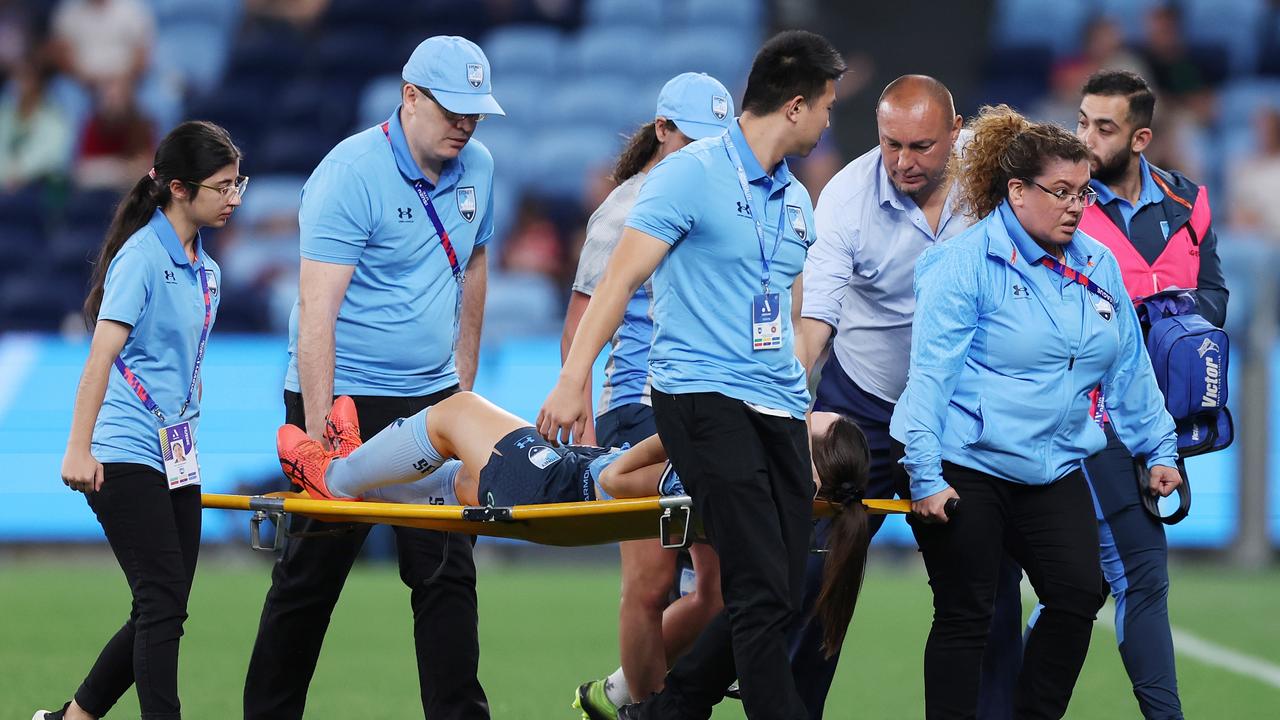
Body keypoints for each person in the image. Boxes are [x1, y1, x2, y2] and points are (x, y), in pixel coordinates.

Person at [540, 30, 846, 720]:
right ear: (795, 106)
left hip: (774, 408)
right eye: (827, 107)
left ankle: (662, 713)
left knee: (782, 588)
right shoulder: (690, 173)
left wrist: (799, 413)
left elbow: (791, 324)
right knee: (754, 586)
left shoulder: (796, 202)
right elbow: (619, 280)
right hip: (700, 398)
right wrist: (573, 377)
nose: (830, 123)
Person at [890, 104, 1184, 720]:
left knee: (1077, 595)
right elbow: (929, 378)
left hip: (1052, 467)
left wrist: (1159, 449)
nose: (1076, 207)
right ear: (1017, 192)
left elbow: (1128, 370)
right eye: (1061, 192)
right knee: (968, 612)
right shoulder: (963, 264)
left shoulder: (1098, 266)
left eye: (1083, 193)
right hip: (965, 463)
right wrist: (924, 473)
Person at [242, 35, 502, 720]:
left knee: (446, 572)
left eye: (476, 111)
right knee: (312, 576)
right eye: (452, 108)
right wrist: (322, 441)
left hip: (430, 396)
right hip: (343, 396)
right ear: (409, 96)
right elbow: (316, 317)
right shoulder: (348, 174)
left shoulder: (481, 167)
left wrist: (462, 392)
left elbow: (473, 271)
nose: (465, 123)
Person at [276, 394, 876, 676]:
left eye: (801, 427)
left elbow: (617, 479)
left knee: (455, 413)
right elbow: (709, 587)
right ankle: (354, 476)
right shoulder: (762, 508)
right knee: (462, 482)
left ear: (808, 466)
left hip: (561, 489)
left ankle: (333, 475)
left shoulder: (713, 474)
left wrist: (682, 430)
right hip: (564, 489)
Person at [790, 74, 1023, 719]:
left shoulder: (1000, 173)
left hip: (962, 412)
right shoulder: (843, 198)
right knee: (814, 581)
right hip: (860, 406)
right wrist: (791, 406)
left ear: (957, 134)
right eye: (891, 144)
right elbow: (816, 318)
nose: (902, 162)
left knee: (987, 588)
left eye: (921, 146)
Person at [34, 120, 243, 720]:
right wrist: (79, 448)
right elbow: (99, 358)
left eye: (238, 184)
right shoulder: (141, 258)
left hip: (175, 451)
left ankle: (72, 718)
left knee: (165, 604)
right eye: (222, 186)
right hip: (124, 447)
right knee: (160, 602)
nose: (234, 198)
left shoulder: (209, 271)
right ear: (180, 188)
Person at [561, 71, 734, 718]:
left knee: (717, 590)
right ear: (663, 131)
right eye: (692, 139)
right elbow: (582, 321)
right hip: (636, 407)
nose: (705, 153)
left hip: (701, 407)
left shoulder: (717, 197)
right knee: (653, 581)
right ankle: (646, 706)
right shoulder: (626, 208)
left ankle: (621, 695)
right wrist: (577, 406)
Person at [1070, 69, 1228, 720]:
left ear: (1139, 138)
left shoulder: (1191, 204)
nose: (1085, 138)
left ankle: (1013, 701)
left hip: (1160, 419)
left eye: (1102, 128)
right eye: (1081, 121)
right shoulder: (1066, 204)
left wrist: (1168, 314)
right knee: (1142, 576)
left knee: (1081, 591)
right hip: (1089, 417)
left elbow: (1216, 299)